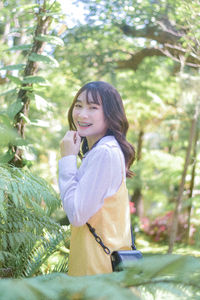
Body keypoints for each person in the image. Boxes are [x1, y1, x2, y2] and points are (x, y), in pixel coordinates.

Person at [58, 81, 135, 276]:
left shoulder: (105, 152)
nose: (82, 114)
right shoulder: (102, 150)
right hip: (97, 265)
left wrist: (67, 159)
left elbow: (76, 214)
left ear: (110, 115)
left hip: (97, 270)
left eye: (93, 108)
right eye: (78, 105)